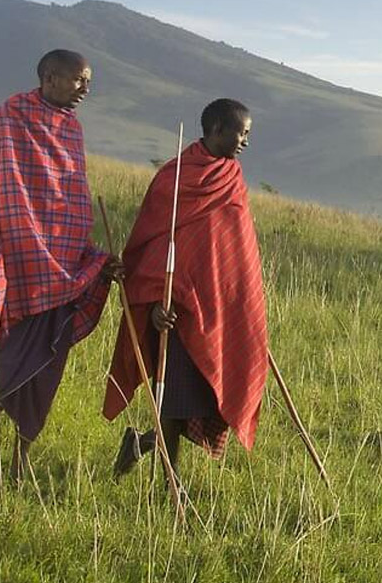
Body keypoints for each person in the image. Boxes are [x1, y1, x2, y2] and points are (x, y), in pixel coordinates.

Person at [0, 49, 122, 488]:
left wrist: (95, 262)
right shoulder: (10, 119)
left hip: (61, 275)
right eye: (78, 79)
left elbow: (72, 206)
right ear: (49, 77)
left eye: (88, 81)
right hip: (17, 274)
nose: (85, 87)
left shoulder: (72, 131)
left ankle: (20, 460)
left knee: (45, 374)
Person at [104, 98, 268, 480]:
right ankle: (170, 481)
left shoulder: (232, 178)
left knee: (194, 398)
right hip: (175, 311)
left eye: (247, 134)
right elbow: (151, 245)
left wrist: (241, 304)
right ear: (215, 129)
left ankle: (141, 445)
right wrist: (154, 302)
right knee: (172, 397)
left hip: (215, 308)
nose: (244, 141)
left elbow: (235, 250)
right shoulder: (175, 179)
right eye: (239, 132)